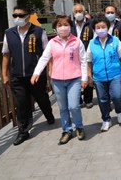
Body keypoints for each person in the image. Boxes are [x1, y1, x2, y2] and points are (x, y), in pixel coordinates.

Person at [2, 5, 55, 146]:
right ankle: (23, 131)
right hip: (17, 76)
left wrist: (49, 71)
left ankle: (49, 115)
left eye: (20, 15)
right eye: (15, 16)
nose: (17, 18)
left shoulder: (38, 31)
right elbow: (6, 55)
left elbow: (47, 53)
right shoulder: (9, 33)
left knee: (42, 98)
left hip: (36, 74)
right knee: (21, 104)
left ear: (28, 16)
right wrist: (5, 75)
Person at [31, 15, 87, 145]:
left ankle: (79, 127)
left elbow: (83, 60)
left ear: (70, 27)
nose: (63, 28)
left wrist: (84, 78)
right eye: (60, 25)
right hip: (57, 80)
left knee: (74, 106)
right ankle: (66, 130)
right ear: (55, 28)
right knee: (63, 108)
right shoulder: (52, 43)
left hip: (74, 79)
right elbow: (44, 58)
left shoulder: (77, 41)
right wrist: (36, 73)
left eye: (66, 25)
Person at [87, 14, 121, 132]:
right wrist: (89, 76)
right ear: (94, 29)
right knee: (103, 99)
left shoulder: (115, 40)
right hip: (99, 77)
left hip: (115, 75)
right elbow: (88, 61)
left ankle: (119, 111)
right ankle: (106, 119)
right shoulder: (91, 43)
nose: (101, 29)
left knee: (117, 96)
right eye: (98, 27)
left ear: (107, 27)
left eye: (103, 27)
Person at [71, 3, 94, 109]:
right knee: (76, 77)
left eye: (80, 11)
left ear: (84, 12)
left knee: (88, 75)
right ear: (73, 13)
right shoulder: (70, 25)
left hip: (88, 54)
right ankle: (78, 99)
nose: (78, 13)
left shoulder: (91, 24)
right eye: (76, 11)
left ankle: (88, 99)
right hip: (73, 56)